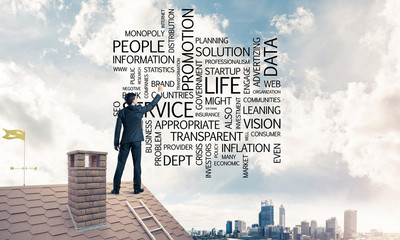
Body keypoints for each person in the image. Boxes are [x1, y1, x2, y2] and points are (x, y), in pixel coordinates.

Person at [112, 85, 163, 194]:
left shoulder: (122, 112)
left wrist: (116, 143)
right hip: (137, 141)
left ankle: (116, 189)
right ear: (134, 100)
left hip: (125, 141)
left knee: (120, 164)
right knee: (137, 164)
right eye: (136, 98)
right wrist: (159, 93)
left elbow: (118, 128)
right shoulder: (139, 109)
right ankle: (136, 188)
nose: (137, 99)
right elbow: (152, 105)